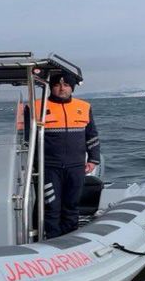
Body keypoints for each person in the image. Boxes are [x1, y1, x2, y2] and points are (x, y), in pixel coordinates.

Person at [35, 72, 101, 238]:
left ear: (72, 87)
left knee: (71, 205)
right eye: (57, 85)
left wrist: (93, 159)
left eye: (66, 85)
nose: (62, 88)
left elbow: (91, 135)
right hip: (49, 167)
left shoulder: (84, 107)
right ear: (51, 87)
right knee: (51, 206)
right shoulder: (36, 106)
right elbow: (27, 137)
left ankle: (70, 239)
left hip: (76, 166)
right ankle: (52, 240)